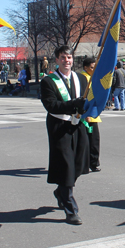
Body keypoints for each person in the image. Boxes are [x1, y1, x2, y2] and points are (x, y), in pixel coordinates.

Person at [40, 45, 88, 225]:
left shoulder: (82, 79)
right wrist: (74, 103)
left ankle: (61, 190)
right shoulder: (48, 81)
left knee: (78, 163)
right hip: (59, 126)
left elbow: (88, 101)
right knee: (66, 164)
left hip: (78, 125)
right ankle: (70, 209)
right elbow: (51, 105)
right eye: (62, 57)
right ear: (57, 60)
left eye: (69, 57)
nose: (66, 60)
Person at [81, 58, 102, 172]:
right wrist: (86, 113)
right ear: (86, 67)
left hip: (93, 113)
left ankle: (93, 163)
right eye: (92, 67)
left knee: (94, 140)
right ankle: (89, 163)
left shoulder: (92, 77)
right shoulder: (83, 78)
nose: (94, 70)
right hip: (87, 114)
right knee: (89, 141)